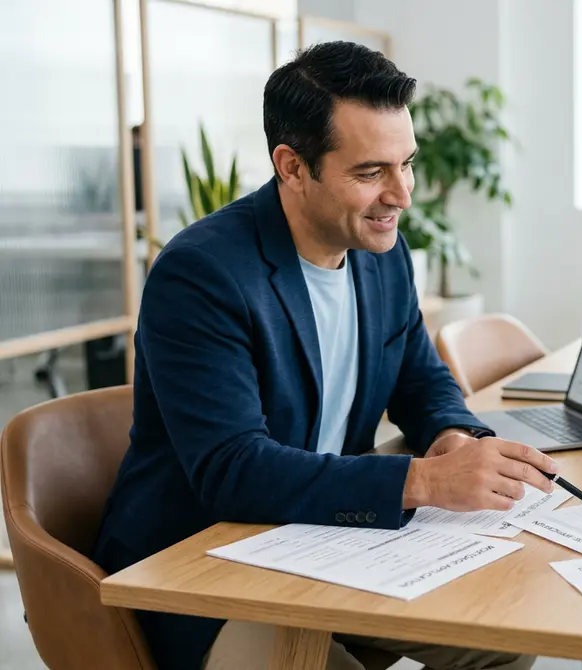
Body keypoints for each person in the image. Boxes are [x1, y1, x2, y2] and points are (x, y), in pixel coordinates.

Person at [91, 41, 553, 670]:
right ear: (292, 166)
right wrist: (422, 480)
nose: (402, 195)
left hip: (327, 536)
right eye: (371, 173)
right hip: (205, 568)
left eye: (406, 164)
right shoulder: (202, 274)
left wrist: (452, 435)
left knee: (502, 638)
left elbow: (419, 376)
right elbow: (232, 469)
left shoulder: (381, 250)